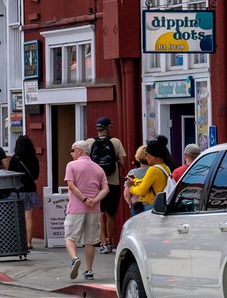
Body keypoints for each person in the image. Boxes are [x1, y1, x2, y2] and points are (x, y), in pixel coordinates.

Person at [63, 139, 108, 281]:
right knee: (90, 240)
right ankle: (89, 270)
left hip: (76, 208)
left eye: (72, 150)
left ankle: (74, 259)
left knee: (70, 237)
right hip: (94, 210)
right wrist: (94, 200)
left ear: (80, 151)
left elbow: (71, 185)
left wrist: (83, 199)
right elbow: (105, 188)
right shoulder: (98, 168)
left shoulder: (71, 166)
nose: (71, 154)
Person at [87, 117, 127, 254]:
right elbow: (123, 162)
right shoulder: (115, 142)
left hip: (95, 183)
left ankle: (102, 242)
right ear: (108, 127)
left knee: (99, 212)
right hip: (112, 183)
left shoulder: (89, 142)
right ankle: (111, 241)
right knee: (111, 213)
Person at [9, 135, 42, 249]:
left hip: (17, 190)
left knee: (17, 217)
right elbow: (36, 175)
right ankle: (28, 242)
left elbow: (10, 175)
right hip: (30, 189)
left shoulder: (14, 158)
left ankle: (18, 241)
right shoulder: (34, 158)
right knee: (28, 217)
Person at [125, 143, 172, 216]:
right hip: (159, 204)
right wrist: (135, 180)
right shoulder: (165, 167)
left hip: (149, 205)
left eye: (146, 155)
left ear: (153, 156)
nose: (145, 157)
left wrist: (130, 187)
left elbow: (141, 190)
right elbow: (148, 183)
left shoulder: (153, 169)